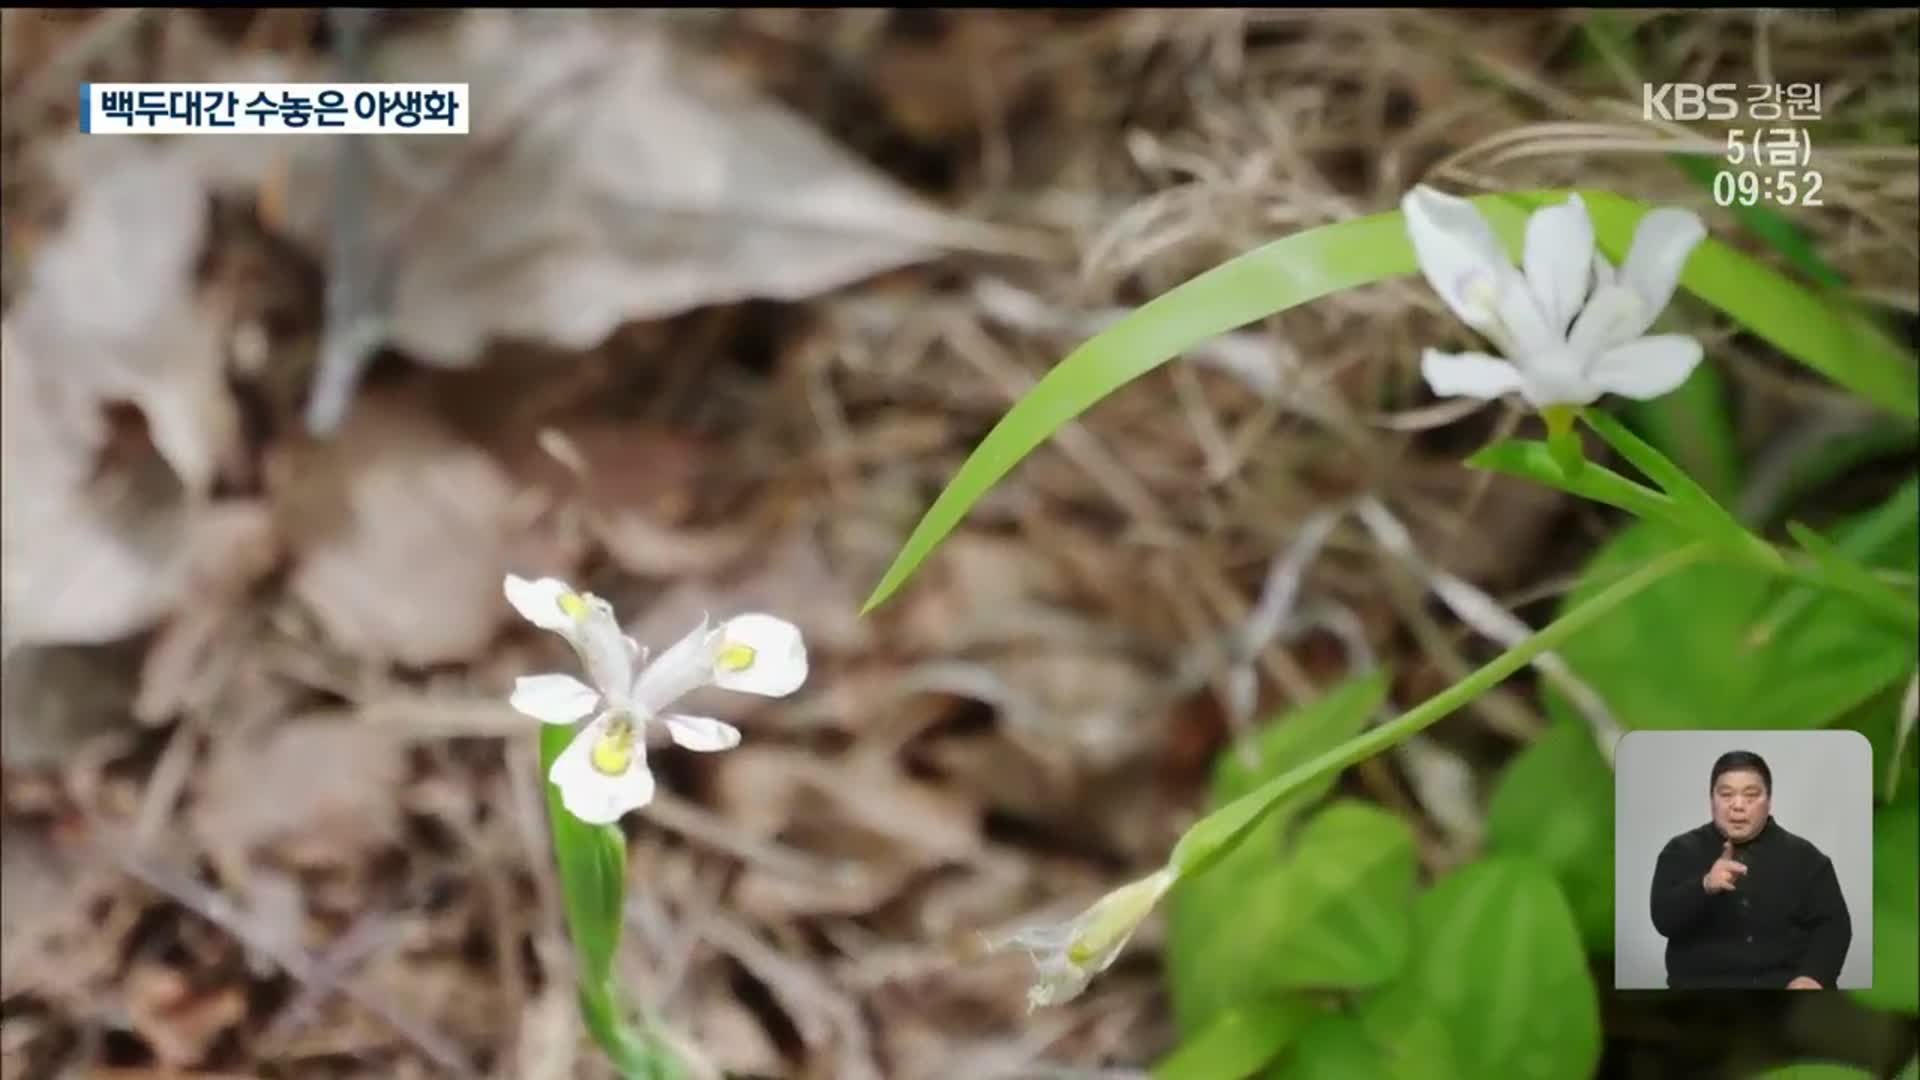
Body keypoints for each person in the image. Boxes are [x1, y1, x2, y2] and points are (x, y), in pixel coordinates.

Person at [1648, 750, 1852, 990]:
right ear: (1711, 799)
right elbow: (1663, 920)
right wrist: (1704, 885)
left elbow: (1833, 925)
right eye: (1726, 795)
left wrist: (1813, 976)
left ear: (1769, 800)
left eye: (1751, 795)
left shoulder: (1806, 857)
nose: (1737, 806)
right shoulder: (1681, 851)